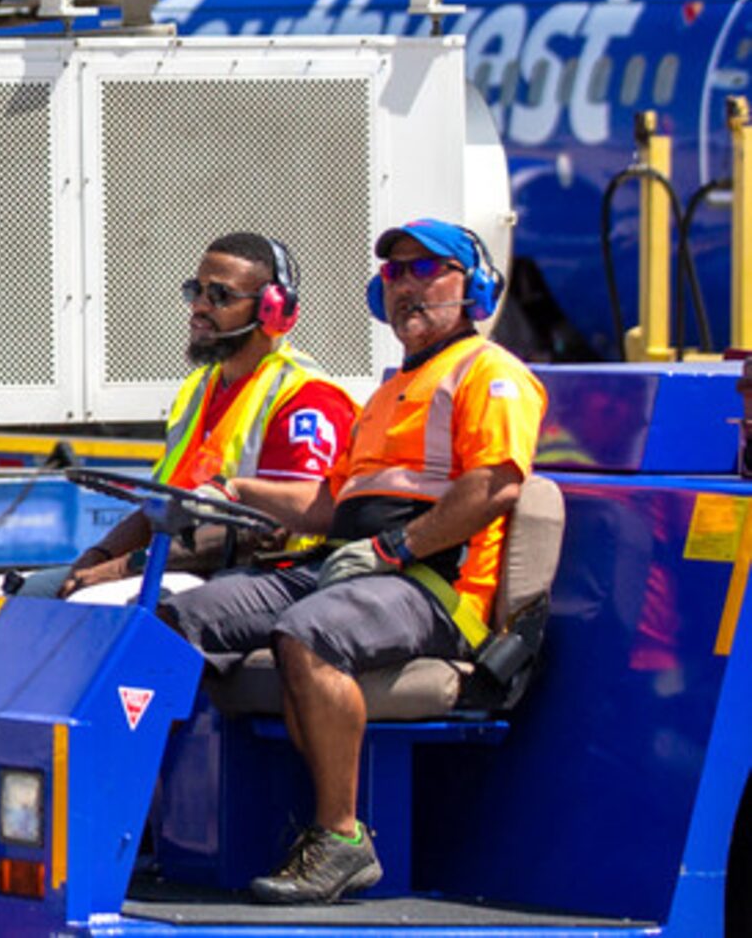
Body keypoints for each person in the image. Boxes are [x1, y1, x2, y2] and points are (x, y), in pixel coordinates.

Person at [161, 219, 546, 907]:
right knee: (176, 617)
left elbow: (497, 487)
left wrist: (395, 547)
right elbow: (326, 505)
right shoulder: (390, 391)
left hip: (432, 587)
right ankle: (158, 822)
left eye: (428, 269)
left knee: (309, 633)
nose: (407, 287)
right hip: (349, 568)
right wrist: (242, 491)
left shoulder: (493, 375)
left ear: (476, 288)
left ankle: (341, 839)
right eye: (395, 273)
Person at [58, 233, 354, 599]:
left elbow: (269, 530)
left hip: (258, 575)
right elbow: (163, 507)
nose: (199, 306)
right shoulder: (199, 388)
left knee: (92, 602)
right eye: (194, 291)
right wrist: (95, 557)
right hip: (178, 564)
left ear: (271, 309)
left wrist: (124, 567)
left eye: (219, 295)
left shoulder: (305, 396)